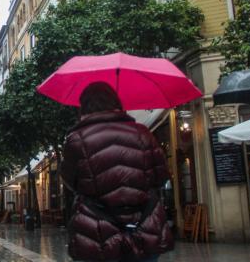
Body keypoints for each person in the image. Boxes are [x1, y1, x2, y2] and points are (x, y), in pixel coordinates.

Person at [60, 82, 173, 262]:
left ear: (83, 107)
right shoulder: (143, 133)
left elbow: (69, 181)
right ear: (116, 103)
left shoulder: (76, 139)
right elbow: (161, 176)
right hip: (143, 228)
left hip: (97, 233)